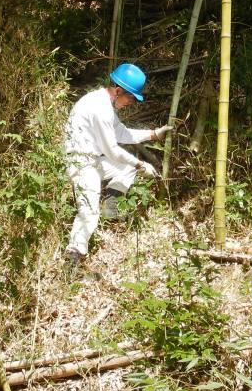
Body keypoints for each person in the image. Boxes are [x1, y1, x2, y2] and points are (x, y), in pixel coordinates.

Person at [63, 63, 171, 267]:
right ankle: (73, 259)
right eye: (130, 98)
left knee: (125, 168)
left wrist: (153, 134)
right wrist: (141, 164)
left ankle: (110, 206)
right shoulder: (100, 108)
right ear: (118, 90)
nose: (130, 102)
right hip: (81, 162)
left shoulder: (105, 104)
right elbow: (112, 150)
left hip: (93, 160)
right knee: (88, 212)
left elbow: (121, 133)